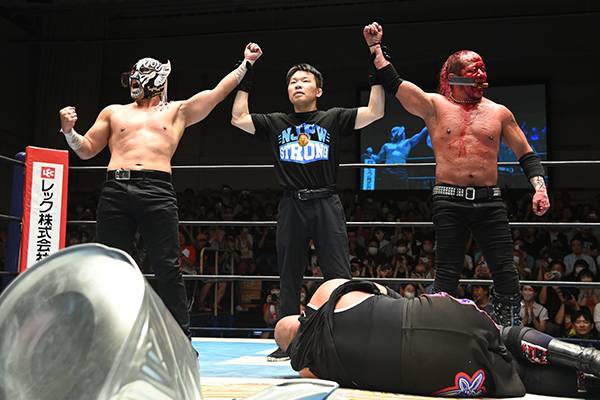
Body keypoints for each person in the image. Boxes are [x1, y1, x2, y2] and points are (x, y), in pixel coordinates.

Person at [58, 43, 263, 337]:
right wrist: (69, 132)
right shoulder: (114, 112)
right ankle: (110, 336)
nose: (133, 84)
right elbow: (87, 149)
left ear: (154, 80)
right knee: (111, 264)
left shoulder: (178, 111)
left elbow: (218, 92)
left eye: (137, 78)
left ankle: (181, 337)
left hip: (157, 189)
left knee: (167, 266)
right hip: (116, 188)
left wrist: (246, 63)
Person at [364, 22, 550, 326]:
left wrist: (539, 187)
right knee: (447, 273)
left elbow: (526, 153)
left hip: (489, 201)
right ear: (453, 77)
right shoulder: (434, 106)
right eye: (473, 72)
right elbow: (394, 83)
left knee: (506, 272)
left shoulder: (499, 112)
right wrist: (375, 47)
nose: (479, 77)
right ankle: (441, 334)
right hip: (449, 199)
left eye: (482, 71)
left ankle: (506, 335)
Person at [231, 29, 385, 360]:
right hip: (291, 202)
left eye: (304, 81)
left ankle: (342, 338)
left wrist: (376, 60)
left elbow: (375, 111)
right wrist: (248, 70)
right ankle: (289, 341)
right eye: (292, 82)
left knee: (338, 272)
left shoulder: (333, 117)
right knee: (289, 273)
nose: (297, 85)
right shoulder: (276, 122)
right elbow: (238, 118)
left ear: (319, 90)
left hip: (326, 200)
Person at [275, 278, 600, 398]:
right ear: (304, 312)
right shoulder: (328, 291)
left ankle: (590, 388)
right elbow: (388, 294)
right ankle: (589, 359)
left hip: (440, 371)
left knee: (518, 374)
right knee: (503, 335)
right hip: (434, 316)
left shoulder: (310, 370)